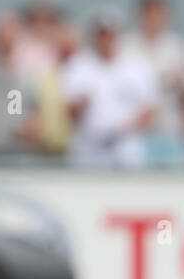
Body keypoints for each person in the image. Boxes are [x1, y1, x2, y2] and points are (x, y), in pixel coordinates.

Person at [62, 9, 157, 167]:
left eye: (111, 34)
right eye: (102, 34)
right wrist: (80, 106)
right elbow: (69, 110)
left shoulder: (137, 66)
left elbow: (151, 110)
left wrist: (127, 128)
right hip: (90, 149)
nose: (107, 39)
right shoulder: (79, 65)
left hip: (127, 150)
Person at [120, 0, 184, 165]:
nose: (153, 17)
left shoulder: (178, 47)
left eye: (158, 11)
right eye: (149, 11)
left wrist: (180, 83)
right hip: (134, 136)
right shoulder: (126, 45)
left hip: (171, 131)